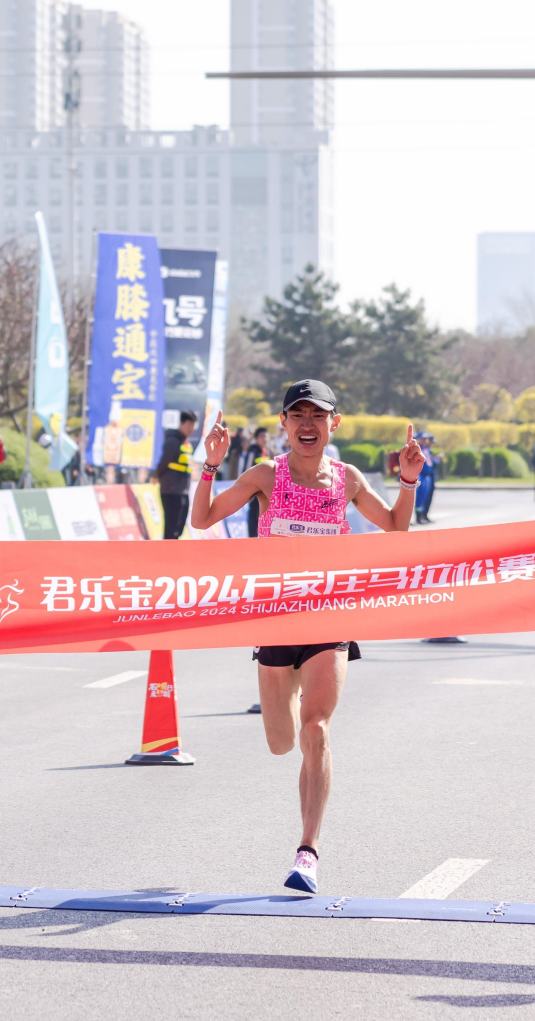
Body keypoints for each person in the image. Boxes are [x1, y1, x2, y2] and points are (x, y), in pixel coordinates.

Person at [185, 379, 425, 898]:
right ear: (284, 424)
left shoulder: (347, 478)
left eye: (317, 415)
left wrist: (407, 481)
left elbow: (395, 528)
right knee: (281, 742)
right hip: (276, 619)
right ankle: (291, 696)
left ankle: (308, 852)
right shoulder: (265, 474)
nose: (308, 424)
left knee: (316, 731)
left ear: (334, 423)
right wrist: (210, 465)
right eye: (298, 415)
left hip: (328, 616)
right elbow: (201, 519)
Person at [155, 410, 199, 540]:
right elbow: (163, 462)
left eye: (193, 426)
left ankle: (173, 549)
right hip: (171, 490)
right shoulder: (173, 441)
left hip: (182, 491)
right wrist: (156, 476)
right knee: (171, 526)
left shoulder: (186, 443)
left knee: (179, 526)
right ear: (181, 423)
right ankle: (167, 551)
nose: (191, 429)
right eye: (189, 425)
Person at [413, 432, 439, 524]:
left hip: (427, 475)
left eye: (425, 439)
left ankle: (423, 516)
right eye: (422, 439)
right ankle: (419, 517)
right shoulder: (417, 449)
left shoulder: (426, 449)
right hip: (421, 475)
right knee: (419, 497)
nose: (424, 441)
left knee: (425, 497)